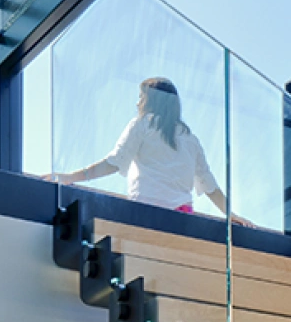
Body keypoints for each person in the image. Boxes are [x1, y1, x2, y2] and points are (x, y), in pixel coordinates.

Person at [51, 77, 248, 223]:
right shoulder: (190, 139)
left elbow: (114, 162)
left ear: (152, 101)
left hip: (145, 213)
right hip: (181, 216)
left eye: (140, 97)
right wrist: (231, 214)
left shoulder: (142, 125)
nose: (137, 103)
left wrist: (70, 177)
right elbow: (208, 184)